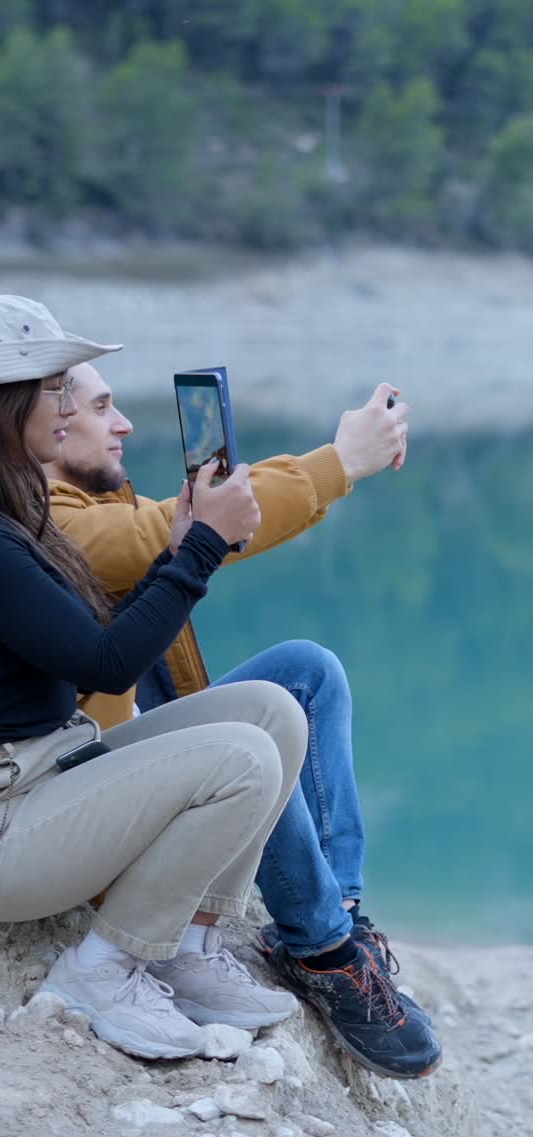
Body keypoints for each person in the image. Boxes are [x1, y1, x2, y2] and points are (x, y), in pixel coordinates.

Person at [0, 293, 311, 1062]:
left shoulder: (8, 509)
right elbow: (106, 665)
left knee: (273, 712)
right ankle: (103, 972)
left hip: (49, 772)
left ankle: (186, 948)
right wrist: (200, 550)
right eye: (51, 386)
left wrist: (180, 547)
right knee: (240, 760)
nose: (65, 400)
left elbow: (96, 647)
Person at [42, 359, 442, 1080]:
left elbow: (170, 529)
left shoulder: (82, 498)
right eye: (105, 408)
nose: (125, 424)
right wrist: (342, 461)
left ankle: (339, 917)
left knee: (306, 672)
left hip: (137, 752)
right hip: (90, 806)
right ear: (49, 420)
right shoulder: (41, 516)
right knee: (255, 731)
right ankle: (324, 951)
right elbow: (181, 531)